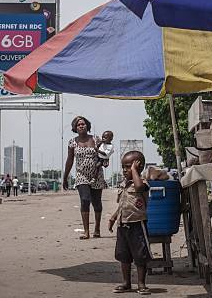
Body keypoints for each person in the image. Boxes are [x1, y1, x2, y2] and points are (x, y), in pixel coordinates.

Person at [108, 151, 151, 295]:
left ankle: (141, 284)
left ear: (139, 166)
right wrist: (114, 217)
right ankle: (126, 283)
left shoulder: (142, 183)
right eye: (123, 167)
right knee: (123, 255)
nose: (125, 170)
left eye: (128, 167)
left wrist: (134, 171)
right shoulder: (123, 184)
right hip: (123, 224)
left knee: (140, 255)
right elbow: (122, 204)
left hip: (137, 225)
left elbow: (139, 188)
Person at [63, 116, 106, 239]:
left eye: (83, 124)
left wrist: (104, 161)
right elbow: (70, 160)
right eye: (78, 125)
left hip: (96, 174)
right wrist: (65, 177)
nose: (81, 126)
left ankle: (97, 228)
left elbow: (104, 155)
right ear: (75, 128)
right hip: (81, 175)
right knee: (85, 199)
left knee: (97, 203)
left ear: (87, 125)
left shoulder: (96, 139)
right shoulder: (72, 142)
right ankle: (86, 231)